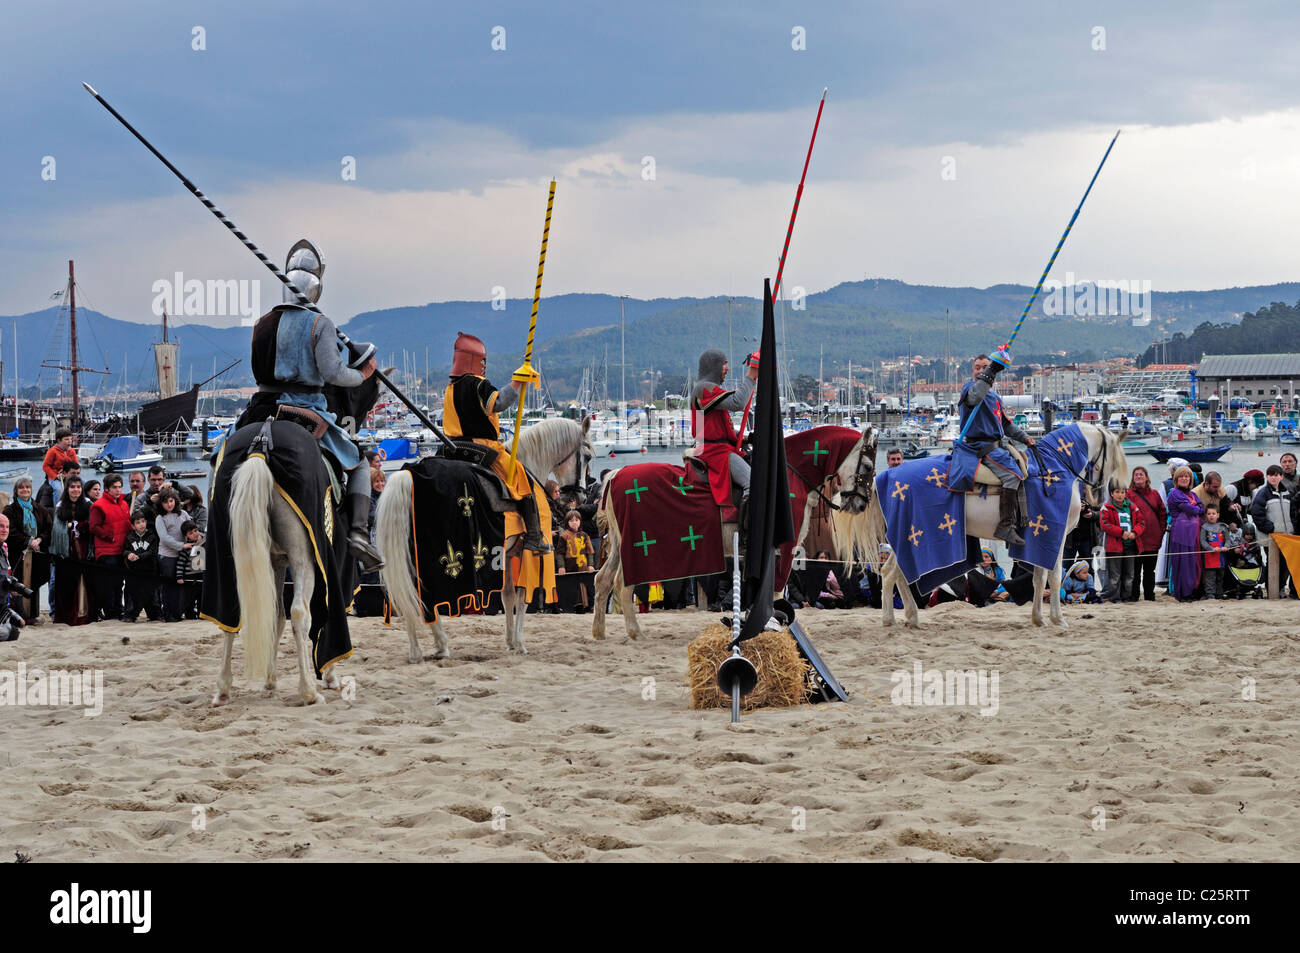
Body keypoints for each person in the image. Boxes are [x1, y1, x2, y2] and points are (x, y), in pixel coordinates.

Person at [235, 239, 384, 570]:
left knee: (222, 456)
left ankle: (219, 530)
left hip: (261, 408)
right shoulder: (320, 323)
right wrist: (362, 374)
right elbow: (333, 374)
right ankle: (359, 534)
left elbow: (257, 368)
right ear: (316, 288)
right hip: (306, 408)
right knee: (359, 463)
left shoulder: (261, 324)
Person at [442, 331, 553, 553]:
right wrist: (517, 382)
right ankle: (533, 536)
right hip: (481, 448)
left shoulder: (450, 388)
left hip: (453, 449)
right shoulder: (477, 384)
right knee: (521, 476)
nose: (484, 365)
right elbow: (499, 403)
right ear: (474, 360)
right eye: (482, 360)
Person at [951, 351, 1036, 546]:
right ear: (972, 371)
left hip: (999, 445)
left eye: (985, 367)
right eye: (977, 368)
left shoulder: (995, 397)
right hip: (980, 446)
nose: (981, 371)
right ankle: (1005, 526)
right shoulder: (970, 389)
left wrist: (1024, 437)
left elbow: (1005, 425)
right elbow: (976, 397)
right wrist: (990, 371)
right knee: (1012, 475)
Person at [689, 348, 758, 522]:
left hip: (716, 447)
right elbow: (738, 402)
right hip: (716, 453)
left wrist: (747, 437)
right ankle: (747, 536)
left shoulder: (705, 390)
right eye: (724, 363)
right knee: (753, 483)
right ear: (713, 366)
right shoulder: (704, 389)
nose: (727, 368)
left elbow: (708, 431)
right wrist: (751, 373)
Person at [2, 477, 52, 624]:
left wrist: (39, 540)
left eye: (28, 487)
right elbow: (9, 530)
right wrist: (27, 541)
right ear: (16, 491)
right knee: (18, 583)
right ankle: (19, 615)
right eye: (21, 488)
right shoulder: (10, 510)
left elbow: (48, 528)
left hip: (36, 552)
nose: (25, 490)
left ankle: (33, 613)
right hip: (17, 553)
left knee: (35, 583)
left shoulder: (39, 509)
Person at [51, 477, 95, 626]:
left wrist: (80, 526)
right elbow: (57, 529)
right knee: (65, 583)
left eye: (78, 487)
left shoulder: (88, 504)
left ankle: (83, 614)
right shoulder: (60, 505)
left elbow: (92, 525)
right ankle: (65, 616)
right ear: (67, 489)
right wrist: (68, 528)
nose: (76, 490)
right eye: (72, 487)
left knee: (83, 581)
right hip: (66, 550)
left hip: (83, 548)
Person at [1249, 464, 1297, 598]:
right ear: (1267, 477)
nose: (1273, 478)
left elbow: (1292, 512)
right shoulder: (1263, 493)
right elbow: (1257, 514)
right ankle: (1272, 590)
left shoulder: (1286, 493)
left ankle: (1281, 588)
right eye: (1270, 475)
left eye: (1276, 475)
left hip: (1286, 536)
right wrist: (1271, 528)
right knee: (1272, 563)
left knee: (1286, 563)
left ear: (1281, 477)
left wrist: (1292, 526)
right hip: (1270, 537)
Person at [88, 472, 131, 619]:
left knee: (119, 584)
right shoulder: (98, 506)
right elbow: (93, 526)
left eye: (120, 487)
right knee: (108, 585)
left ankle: (118, 610)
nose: (118, 490)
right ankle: (110, 612)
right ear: (107, 488)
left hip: (121, 550)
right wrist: (109, 537)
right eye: (115, 487)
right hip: (107, 551)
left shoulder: (124, 503)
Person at [1127, 465, 1167, 601]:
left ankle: (1150, 595)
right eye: (1136, 474)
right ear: (1133, 478)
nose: (1139, 476)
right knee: (1135, 571)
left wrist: (1161, 531)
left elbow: (1163, 514)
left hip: (1153, 538)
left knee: (1150, 571)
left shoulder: (1154, 494)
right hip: (1136, 539)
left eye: (1141, 474)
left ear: (1147, 477)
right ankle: (1134, 595)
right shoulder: (1128, 494)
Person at [1100, 482, 1144, 602]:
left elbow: (1141, 522)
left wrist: (1135, 533)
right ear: (1112, 494)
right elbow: (1105, 524)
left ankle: (1126, 597)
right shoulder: (1107, 507)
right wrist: (1121, 533)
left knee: (1129, 574)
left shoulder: (1132, 507)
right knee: (1115, 575)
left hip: (1131, 546)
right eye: (1117, 492)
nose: (1120, 495)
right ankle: (1115, 598)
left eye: (1123, 492)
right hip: (1114, 547)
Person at [1165, 466, 1204, 602]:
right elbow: (1192, 510)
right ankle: (1184, 592)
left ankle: (1193, 589)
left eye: (1187, 476)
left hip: (1193, 534)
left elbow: (1201, 508)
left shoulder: (1192, 494)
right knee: (1183, 563)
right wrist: (1196, 508)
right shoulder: (1174, 493)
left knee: (1194, 562)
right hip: (1181, 534)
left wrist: (1196, 508)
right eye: (1181, 476)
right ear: (1176, 479)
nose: (1184, 478)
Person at [154, 487, 187, 622]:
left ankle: (178, 612)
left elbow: (190, 527)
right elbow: (164, 538)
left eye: (171, 501)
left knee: (180, 585)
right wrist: (181, 545)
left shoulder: (183, 514)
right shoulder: (160, 518)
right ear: (161, 504)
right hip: (167, 556)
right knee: (169, 587)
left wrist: (195, 537)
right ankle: (168, 614)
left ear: (176, 500)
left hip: (183, 555)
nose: (169, 504)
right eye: (165, 502)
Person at [122, 512, 160, 622]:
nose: (141, 524)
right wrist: (128, 554)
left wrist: (139, 556)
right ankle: (130, 615)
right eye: (138, 523)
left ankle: (155, 615)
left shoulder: (152, 537)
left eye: (143, 521)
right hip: (135, 572)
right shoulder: (129, 537)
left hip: (150, 570)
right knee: (133, 594)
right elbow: (124, 550)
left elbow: (152, 552)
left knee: (152, 594)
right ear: (133, 526)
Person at [556, 510, 595, 612]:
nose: (574, 522)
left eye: (576, 520)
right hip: (570, 567)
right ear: (567, 522)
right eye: (571, 520)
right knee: (571, 588)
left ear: (580, 521)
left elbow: (589, 552)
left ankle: (582, 607)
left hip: (582, 566)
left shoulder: (585, 535)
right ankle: (569, 608)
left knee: (582, 588)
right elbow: (559, 553)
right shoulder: (564, 536)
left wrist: (590, 565)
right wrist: (561, 566)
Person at [41, 428, 79, 507]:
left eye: (71, 439)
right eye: (66, 439)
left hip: (69, 475)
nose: (70, 441)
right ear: (59, 440)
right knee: (59, 490)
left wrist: (72, 473)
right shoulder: (52, 451)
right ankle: (58, 510)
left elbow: (76, 465)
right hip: (55, 477)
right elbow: (45, 466)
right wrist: (56, 476)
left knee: (84, 484)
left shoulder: (71, 451)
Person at [174, 519, 204, 620]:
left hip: (202, 577)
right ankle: (189, 614)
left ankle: (202, 614)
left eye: (195, 531)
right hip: (189, 579)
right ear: (186, 536)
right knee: (189, 599)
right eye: (191, 533)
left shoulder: (204, 543)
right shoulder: (186, 548)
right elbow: (180, 563)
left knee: (202, 598)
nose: (195, 534)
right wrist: (179, 576)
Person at [1200, 503, 1228, 600]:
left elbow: (1228, 540)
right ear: (1206, 515)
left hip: (1221, 557)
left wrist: (1226, 546)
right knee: (1210, 577)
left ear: (1218, 515)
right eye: (1209, 514)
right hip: (1210, 557)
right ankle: (1210, 595)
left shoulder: (1223, 527)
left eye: (1213, 513)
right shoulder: (1204, 527)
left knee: (1220, 576)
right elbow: (1202, 541)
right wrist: (1211, 549)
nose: (1211, 515)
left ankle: (1219, 594)